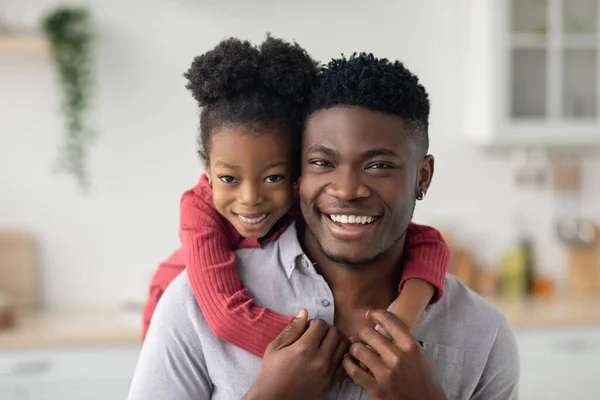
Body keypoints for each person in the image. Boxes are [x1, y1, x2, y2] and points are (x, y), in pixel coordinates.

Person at [128, 48, 520, 400]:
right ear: (300, 171)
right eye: (322, 163)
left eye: (379, 165)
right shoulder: (190, 302)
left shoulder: (483, 332)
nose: (347, 190)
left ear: (423, 176)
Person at [140, 35, 451, 360]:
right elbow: (225, 316)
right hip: (171, 314)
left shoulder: (303, 194)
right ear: (207, 169)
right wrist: (328, 354)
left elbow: (427, 241)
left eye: (273, 176)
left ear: (295, 170)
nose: (249, 198)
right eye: (229, 178)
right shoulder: (199, 211)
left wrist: (405, 314)